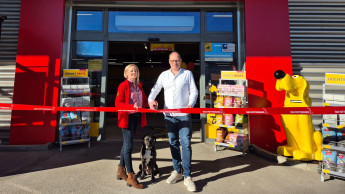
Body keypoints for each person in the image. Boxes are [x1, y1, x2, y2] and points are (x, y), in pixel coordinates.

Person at [148, 51, 198, 192]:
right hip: (169, 115)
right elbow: (155, 88)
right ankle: (176, 171)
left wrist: (190, 104)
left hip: (184, 114)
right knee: (173, 142)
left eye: (177, 60)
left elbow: (194, 91)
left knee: (186, 144)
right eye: (172, 60)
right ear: (169, 61)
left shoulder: (187, 74)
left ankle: (187, 176)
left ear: (180, 61)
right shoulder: (164, 75)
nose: (175, 63)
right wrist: (151, 101)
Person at [115, 64, 148, 189]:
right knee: (129, 146)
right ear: (126, 74)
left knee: (126, 144)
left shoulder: (139, 86)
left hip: (136, 117)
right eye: (131, 71)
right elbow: (118, 103)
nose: (134, 72)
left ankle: (120, 171)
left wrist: (152, 104)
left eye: (136, 70)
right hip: (127, 118)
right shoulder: (123, 85)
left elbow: (144, 101)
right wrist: (130, 107)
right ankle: (130, 175)